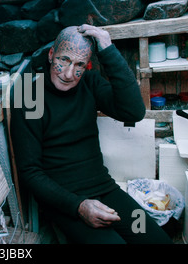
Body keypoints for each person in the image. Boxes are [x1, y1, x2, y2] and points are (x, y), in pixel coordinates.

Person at [10, 24, 173, 244]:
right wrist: (78, 206)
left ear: (87, 66)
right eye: (63, 60)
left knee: (156, 240)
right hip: (64, 202)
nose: (68, 74)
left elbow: (133, 112)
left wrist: (107, 48)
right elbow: (29, 172)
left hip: (106, 191)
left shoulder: (90, 82)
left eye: (78, 65)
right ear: (51, 55)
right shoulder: (30, 94)